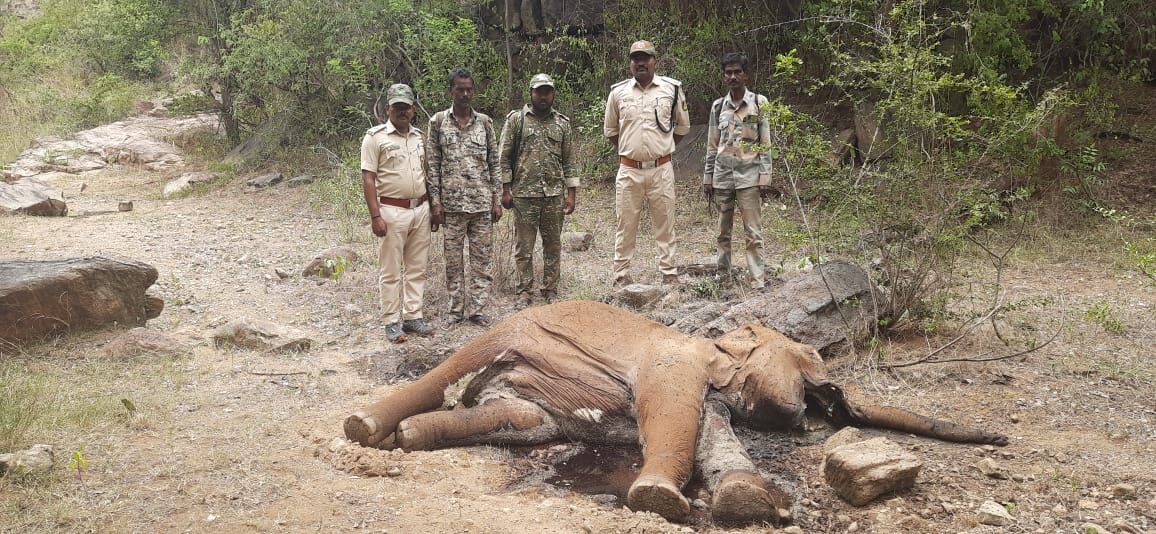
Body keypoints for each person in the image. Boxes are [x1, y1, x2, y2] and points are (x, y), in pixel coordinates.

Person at [603, 40, 691, 287]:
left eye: (645, 58)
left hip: (661, 169)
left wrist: (660, 149)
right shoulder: (618, 93)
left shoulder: (671, 89)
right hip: (629, 170)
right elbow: (611, 131)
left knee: (665, 223)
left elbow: (682, 126)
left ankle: (669, 272)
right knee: (625, 224)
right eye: (635, 59)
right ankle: (621, 274)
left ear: (655, 61)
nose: (640, 63)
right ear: (630, 63)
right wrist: (632, 152)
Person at [426, 68, 502, 326]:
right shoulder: (438, 122)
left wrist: (496, 198)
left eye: (469, 88)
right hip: (452, 207)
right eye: (460, 89)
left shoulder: (485, 123)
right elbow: (433, 165)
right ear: (451, 91)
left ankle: (477, 309)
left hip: (481, 205)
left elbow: (494, 163)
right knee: (453, 262)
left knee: (482, 261)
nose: (465, 93)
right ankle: (455, 310)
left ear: (474, 90)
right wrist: (435, 202)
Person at [360, 83, 435, 343]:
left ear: (413, 109)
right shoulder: (375, 137)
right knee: (390, 270)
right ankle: (391, 321)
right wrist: (375, 216)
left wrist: (433, 206)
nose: (403, 111)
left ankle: (413, 316)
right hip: (391, 210)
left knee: (417, 268)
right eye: (398, 107)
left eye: (407, 107)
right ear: (388, 108)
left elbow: (427, 173)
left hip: (420, 209)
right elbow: (368, 178)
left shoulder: (418, 136)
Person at [499, 73, 579, 307]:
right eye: (539, 91)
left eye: (547, 91)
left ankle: (550, 289)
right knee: (524, 247)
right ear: (531, 93)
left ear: (553, 93)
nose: (543, 96)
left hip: (554, 195)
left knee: (553, 245)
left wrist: (571, 194)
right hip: (524, 195)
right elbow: (503, 157)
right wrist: (505, 189)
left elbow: (570, 160)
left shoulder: (562, 123)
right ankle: (524, 291)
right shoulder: (516, 120)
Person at [703, 52, 773, 290]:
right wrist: (708, 177)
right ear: (724, 76)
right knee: (723, 232)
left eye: (737, 72)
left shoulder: (759, 103)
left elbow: (765, 143)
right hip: (722, 177)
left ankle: (757, 281)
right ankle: (723, 278)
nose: (732, 77)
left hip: (749, 179)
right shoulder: (717, 106)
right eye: (728, 72)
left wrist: (765, 177)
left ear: (746, 75)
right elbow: (712, 144)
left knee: (753, 233)